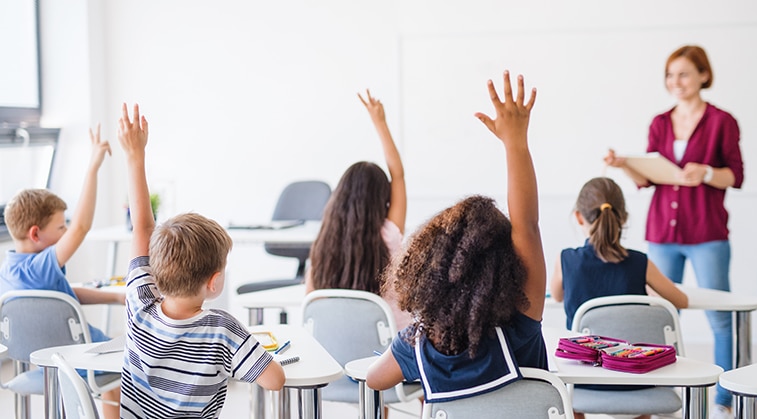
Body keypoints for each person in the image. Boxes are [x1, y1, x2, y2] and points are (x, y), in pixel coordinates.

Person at [366, 72, 549, 404]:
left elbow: (374, 379)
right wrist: (515, 143)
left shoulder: (420, 343)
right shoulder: (523, 320)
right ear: (507, 263)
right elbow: (528, 225)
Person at [117, 103, 285, 418]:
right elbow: (275, 381)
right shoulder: (222, 330)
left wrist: (134, 155)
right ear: (214, 282)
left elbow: (142, 226)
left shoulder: (139, 302)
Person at [605, 45, 743, 419]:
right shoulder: (660, 122)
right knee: (659, 313)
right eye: (670, 75)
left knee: (719, 315)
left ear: (703, 75)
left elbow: (736, 174)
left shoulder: (721, 121)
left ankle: (724, 401)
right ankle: (654, 395)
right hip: (663, 231)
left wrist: (708, 174)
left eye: (683, 74)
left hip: (706, 231)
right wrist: (624, 165)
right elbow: (647, 178)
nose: (675, 82)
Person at [0, 125, 122, 419]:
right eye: (60, 227)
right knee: (125, 361)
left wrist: (116, 298)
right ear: (36, 233)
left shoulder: (10, 269)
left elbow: (60, 297)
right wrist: (93, 167)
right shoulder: (40, 265)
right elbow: (81, 227)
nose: (66, 231)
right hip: (81, 356)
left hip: (37, 359)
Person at [549, 177, 689, 419]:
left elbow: (559, 295)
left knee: (570, 369)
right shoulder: (640, 262)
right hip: (639, 378)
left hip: (582, 382)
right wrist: (650, 298)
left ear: (579, 217)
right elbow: (681, 301)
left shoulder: (566, 261)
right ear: (623, 218)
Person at [306, 89, 410, 329]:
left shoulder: (323, 243)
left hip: (334, 350)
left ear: (339, 196)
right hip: (386, 354)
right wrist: (380, 123)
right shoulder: (389, 234)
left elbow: (311, 303)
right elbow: (399, 175)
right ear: (383, 199)